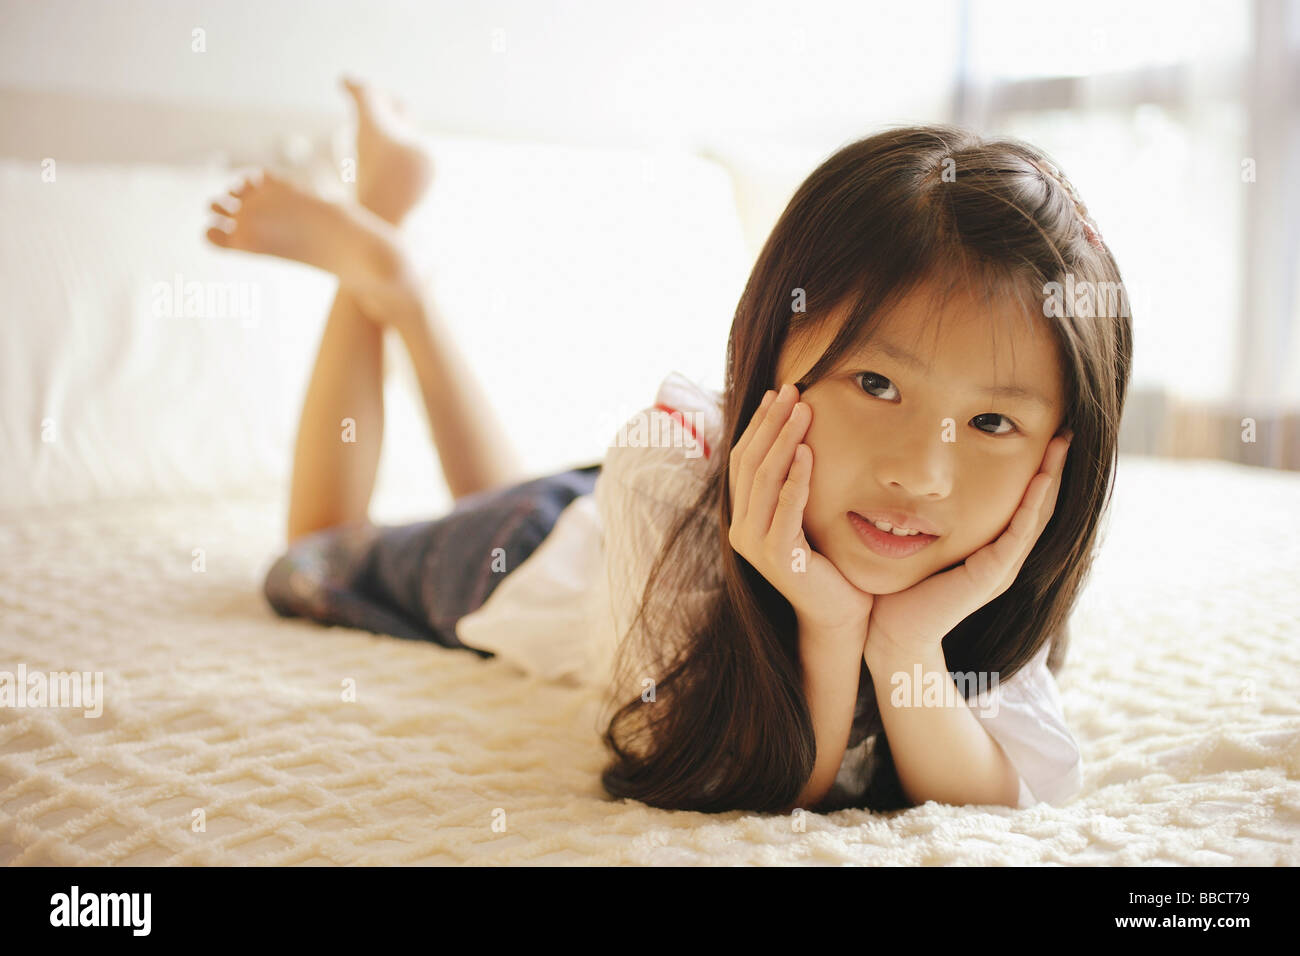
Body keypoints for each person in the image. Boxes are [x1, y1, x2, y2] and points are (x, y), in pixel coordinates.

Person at [206, 78, 1132, 816]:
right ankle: (379, 260)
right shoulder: (668, 479)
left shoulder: (992, 555)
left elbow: (1010, 791)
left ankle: (404, 276)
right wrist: (827, 626)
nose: (922, 474)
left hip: (599, 526)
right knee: (316, 547)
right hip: (555, 559)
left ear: (1061, 451)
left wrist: (905, 646)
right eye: (877, 385)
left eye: (992, 424)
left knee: (493, 493)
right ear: (772, 353)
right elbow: (741, 782)